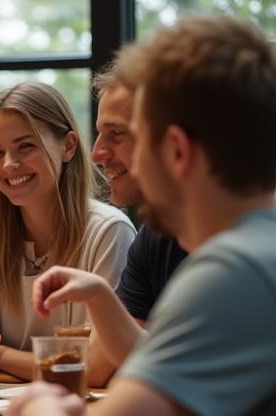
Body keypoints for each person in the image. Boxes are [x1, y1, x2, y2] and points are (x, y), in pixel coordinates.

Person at [11, 16, 276, 416]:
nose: (99, 156)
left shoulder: (235, 273)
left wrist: (39, 407)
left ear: (175, 150)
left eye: (135, 137)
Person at [0, 82, 135, 384]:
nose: (9, 164)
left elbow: (95, 367)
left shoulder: (109, 230)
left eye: (26, 146)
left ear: (69, 146)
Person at [83, 63, 189, 385]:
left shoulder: (249, 244)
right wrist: (99, 296)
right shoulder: (155, 233)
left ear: (173, 142)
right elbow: (101, 368)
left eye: (117, 134)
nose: (97, 153)